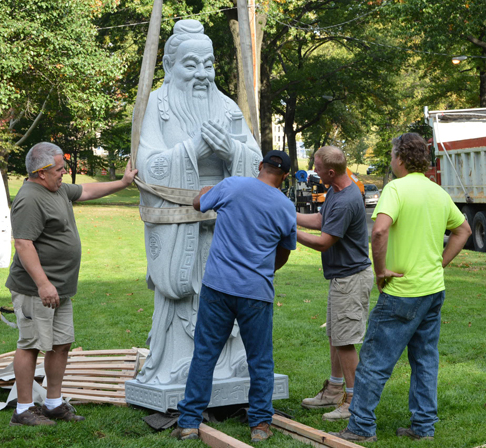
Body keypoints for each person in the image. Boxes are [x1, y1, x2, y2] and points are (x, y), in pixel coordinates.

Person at [135, 19, 262, 386]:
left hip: (225, 228)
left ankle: (230, 361)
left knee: (228, 291)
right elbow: (148, 164)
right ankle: (180, 361)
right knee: (188, 293)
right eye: (192, 65)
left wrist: (231, 150)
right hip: (181, 225)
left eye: (208, 65)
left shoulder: (225, 107)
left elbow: (255, 162)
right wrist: (193, 150)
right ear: (169, 67)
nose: (203, 74)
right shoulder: (155, 106)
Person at [332, 133, 471, 442]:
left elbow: (379, 231)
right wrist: (439, 263)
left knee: (373, 361)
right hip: (432, 290)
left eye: (392, 155)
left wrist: (380, 271)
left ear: (400, 159)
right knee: (425, 361)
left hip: (401, 292)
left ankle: (360, 427)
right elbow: (464, 230)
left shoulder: (395, 188)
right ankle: (423, 427)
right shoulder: (437, 192)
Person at [6, 142, 137, 426]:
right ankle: (23, 409)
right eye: (59, 169)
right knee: (29, 345)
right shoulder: (30, 198)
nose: (64, 173)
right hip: (35, 290)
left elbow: (88, 191)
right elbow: (23, 244)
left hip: (60, 289)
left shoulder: (59, 189)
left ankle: (53, 403)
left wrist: (123, 182)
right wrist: (42, 284)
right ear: (40, 173)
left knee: (61, 344)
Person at [171, 151, 296, 442]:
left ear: (261, 166)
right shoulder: (286, 206)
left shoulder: (232, 185)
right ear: (285, 176)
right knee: (260, 360)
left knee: (204, 354)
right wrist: (264, 270)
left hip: (218, 287)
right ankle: (260, 426)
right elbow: (284, 252)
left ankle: (189, 422)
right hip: (257, 292)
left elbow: (197, 203)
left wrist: (205, 191)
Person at [297, 146, 373, 422]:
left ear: (330, 171)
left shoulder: (345, 199)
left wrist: (290, 232)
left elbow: (324, 241)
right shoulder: (336, 189)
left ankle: (353, 401)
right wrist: (286, 215)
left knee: (346, 341)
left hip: (351, 279)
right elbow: (319, 220)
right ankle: (333, 390)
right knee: (336, 337)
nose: (313, 171)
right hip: (342, 277)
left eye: (316, 168)